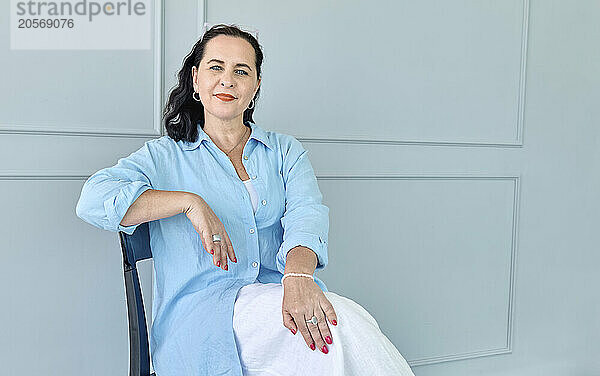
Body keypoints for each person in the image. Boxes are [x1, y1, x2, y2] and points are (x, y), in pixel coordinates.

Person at [75, 23, 416, 376]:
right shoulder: (163, 158)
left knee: (346, 325)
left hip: (284, 298)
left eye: (241, 71)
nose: (227, 80)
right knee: (338, 331)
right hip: (202, 322)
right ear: (196, 79)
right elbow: (92, 199)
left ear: (254, 87)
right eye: (216, 67)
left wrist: (298, 277)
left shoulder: (285, 152)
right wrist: (189, 201)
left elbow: (307, 217)